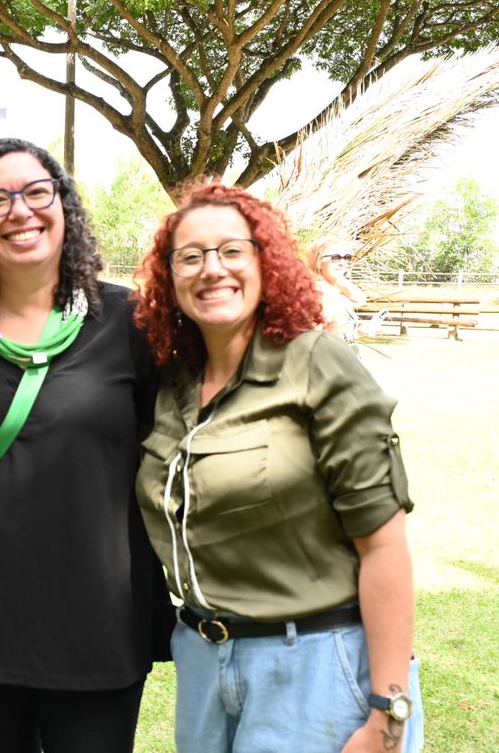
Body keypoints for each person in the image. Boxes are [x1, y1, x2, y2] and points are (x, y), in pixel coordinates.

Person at [132, 182, 423, 753]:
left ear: (267, 263)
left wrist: (389, 712)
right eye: (190, 256)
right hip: (202, 664)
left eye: (232, 251)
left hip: (315, 663)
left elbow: (384, 546)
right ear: (169, 278)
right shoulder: (173, 386)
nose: (211, 269)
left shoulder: (317, 363)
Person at [0, 138, 172, 752]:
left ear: (63, 205)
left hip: (100, 614)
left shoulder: (129, 320)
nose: (20, 211)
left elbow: (173, 439)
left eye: (36, 193)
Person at [308, 236, 371, 342]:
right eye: (335, 258)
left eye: (346, 257)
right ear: (318, 260)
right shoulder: (318, 294)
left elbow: (360, 299)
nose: (342, 263)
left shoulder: (332, 290)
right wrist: (355, 335)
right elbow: (316, 339)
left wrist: (338, 281)